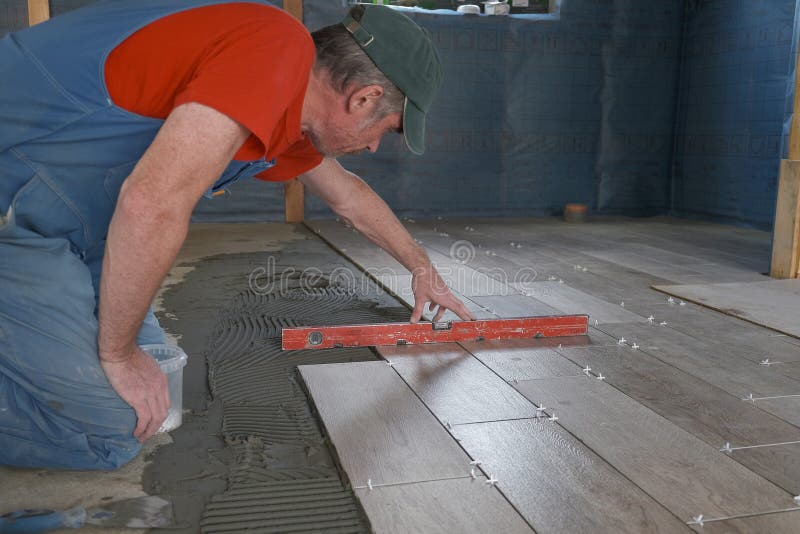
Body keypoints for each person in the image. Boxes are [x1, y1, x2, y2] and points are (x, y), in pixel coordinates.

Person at [0, 0, 475, 470]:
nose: (372, 146)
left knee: (159, 398)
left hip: (73, 233)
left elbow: (348, 194)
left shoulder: (282, 110)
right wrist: (118, 355)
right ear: (365, 98)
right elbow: (150, 202)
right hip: (17, 218)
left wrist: (422, 269)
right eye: (384, 131)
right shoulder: (273, 45)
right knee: (113, 426)